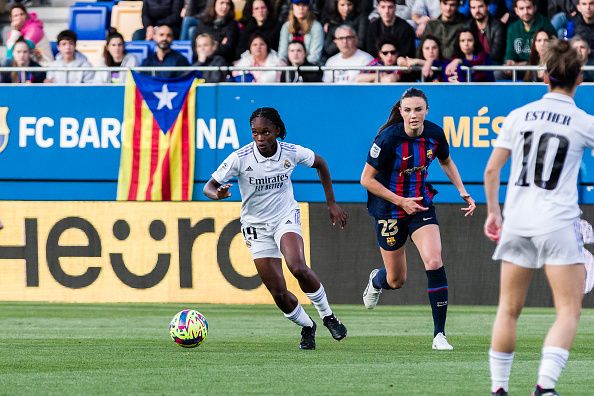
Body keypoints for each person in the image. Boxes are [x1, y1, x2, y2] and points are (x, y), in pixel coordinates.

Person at [484, 39, 592, 396]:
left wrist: (494, 213)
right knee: (568, 310)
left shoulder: (518, 116)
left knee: (508, 310)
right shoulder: (582, 121)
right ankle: (544, 386)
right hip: (558, 222)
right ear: (578, 79)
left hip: (517, 220)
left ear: (545, 77)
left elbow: (491, 171)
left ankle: (499, 389)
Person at [203, 107, 349, 350]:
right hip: (256, 226)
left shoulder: (291, 152)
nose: (260, 139)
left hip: (284, 217)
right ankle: (307, 326)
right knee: (279, 293)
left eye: (266, 132)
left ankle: (328, 317)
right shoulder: (240, 158)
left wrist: (331, 203)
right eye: (255, 133)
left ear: (277, 131)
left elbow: (321, 163)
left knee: (297, 266)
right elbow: (209, 185)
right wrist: (216, 194)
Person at [361, 87, 476, 351]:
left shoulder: (435, 134)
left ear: (426, 111)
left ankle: (439, 335)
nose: (413, 115)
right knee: (396, 280)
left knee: (434, 260)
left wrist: (462, 191)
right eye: (408, 110)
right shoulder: (387, 139)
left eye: (418, 109)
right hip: (389, 208)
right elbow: (366, 180)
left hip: (421, 204)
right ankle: (376, 280)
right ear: (401, 112)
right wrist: (400, 201)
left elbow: (446, 161)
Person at [503, 0, 556, 75]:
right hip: (519, 69)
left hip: (539, 68)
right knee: (498, 74)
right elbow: (510, 53)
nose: (526, 12)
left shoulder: (545, 25)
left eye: (529, 7)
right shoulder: (513, 28)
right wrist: (509, 62)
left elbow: (553, 55)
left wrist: (522, 64)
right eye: (521, 8)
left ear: (534, 7)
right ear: (516, 11)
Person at [278, 0, 324, 64]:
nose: (301, 8)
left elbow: (315, 56)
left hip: (310, 67)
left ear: (308, 8)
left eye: (304, 5)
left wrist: (300, 66)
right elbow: (282, 54)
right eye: (297, 5)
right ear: (293, 7)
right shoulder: (286, 26)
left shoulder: (316, 26)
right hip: (290, 67)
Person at [467, 0, 506, 64]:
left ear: (488, 7)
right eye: (473, 8)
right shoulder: (468, 26)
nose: (477, 11)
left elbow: (496, 55)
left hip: (492, 64)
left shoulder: (498, 26)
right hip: (472, 64)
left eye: (480, 6)